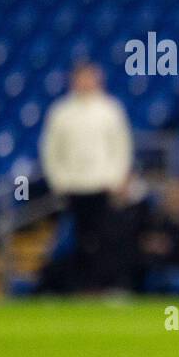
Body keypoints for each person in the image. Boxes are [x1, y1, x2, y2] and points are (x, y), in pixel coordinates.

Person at [39, 62, 133, 292]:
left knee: (106, 237)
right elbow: (51, 150)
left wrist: (117, 177)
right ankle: (82, 288)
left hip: (102, 184)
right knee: (79, 238)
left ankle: (106, 286)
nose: (85, 83)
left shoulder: (110, 109)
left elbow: (121, 146)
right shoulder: (61, 112)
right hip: (73, 185)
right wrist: (58, 180)